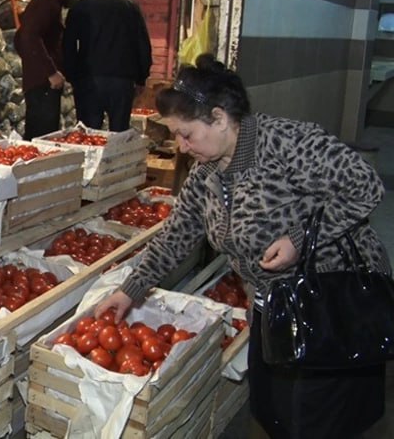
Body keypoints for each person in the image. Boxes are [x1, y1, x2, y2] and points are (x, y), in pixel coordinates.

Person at [95, 60, 390, 438]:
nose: (181, 147)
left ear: (219, 118)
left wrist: (299, 241)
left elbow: (365, 187)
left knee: (318, 415)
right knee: (273, 409)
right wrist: (129, 290)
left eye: (186, 135)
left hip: (331, 303)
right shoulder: (207, 175)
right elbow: (176, 235)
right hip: (274, 307)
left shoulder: (289, 144)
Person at [63, 0, 151, 132]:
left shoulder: (79, 8)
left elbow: (68, 46)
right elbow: (142, 42)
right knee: (119, 131)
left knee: (89, 133)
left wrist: (72, 76)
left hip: (89, 79)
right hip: (122, 80)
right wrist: (141, 77)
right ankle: (116, 158)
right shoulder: (129, 5)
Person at [14, 0, 81, 140]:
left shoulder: (49, 3)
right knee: (41, 136)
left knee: (45, 133)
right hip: (42, 84)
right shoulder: (46, 4)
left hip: (43, 82)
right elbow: (27, 37)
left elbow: (22, 38)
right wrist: (50, 72)